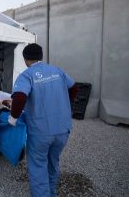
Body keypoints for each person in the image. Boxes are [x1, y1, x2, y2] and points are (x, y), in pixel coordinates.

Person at [8, 43, 78, 197]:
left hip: (41, 131)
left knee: (38, 166)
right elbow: (74, 88)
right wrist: (64, 104)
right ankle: (52, 192)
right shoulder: (57, 70)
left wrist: (13, 118)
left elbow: (19, 98)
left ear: (25, 59)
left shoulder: (27, 75)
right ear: (41, 56)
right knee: (53, 162)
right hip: (63, 129)